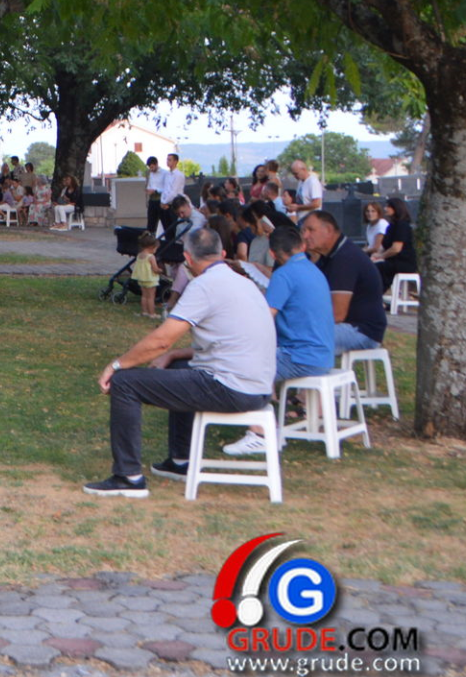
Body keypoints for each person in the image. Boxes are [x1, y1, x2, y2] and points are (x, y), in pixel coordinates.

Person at [84, 229, 276, 496]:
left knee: (125, 382)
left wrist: (116, 365)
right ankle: (180, 461)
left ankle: (128, 477)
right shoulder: (244, 283)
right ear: (222, 254)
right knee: (179, 368)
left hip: (232, 388)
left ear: (187, 259)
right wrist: (174, 355)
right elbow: (227, 343)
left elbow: (162, 340)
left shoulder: (204, 285)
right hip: (260, 388)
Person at [222, 226, 340, 456]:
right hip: (323, 354)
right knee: (258, 361)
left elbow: (264, 319)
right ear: (302, 246)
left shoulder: (284, 275)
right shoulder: (314, 270)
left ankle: (260, 433)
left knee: (246, 366)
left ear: (273, 254)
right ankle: (268, 427)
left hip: (301, 357)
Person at [301, 210, 386, 352]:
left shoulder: (345, 258)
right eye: (303, 231)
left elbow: (337, 314)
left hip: (361, 331)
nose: (305, 236)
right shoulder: (330, 256)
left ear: (328, 230)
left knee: (298, 338)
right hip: (348, 326)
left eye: (311, 230)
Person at [130, 232, 167, 317]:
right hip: (150, 279)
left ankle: (144, 311)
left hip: (141, 278)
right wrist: (160, 270)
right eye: (156, 248)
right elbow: (155, 269)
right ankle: (152, 313)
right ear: (151, 247)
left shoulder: (139, 255)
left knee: (144, 296)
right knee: (151, 297)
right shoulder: (151, 257)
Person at [143, 155, 164, 233]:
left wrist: (156, 191)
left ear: (156, 164)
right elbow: (148, 184)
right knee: (151, 223)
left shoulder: (164, 173)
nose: (151, 169)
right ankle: (150, 236)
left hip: (161, 200)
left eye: (152, 167)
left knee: (164, 222)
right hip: (152, 200)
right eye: (150, 167)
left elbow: (166, 188)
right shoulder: (149, 173)